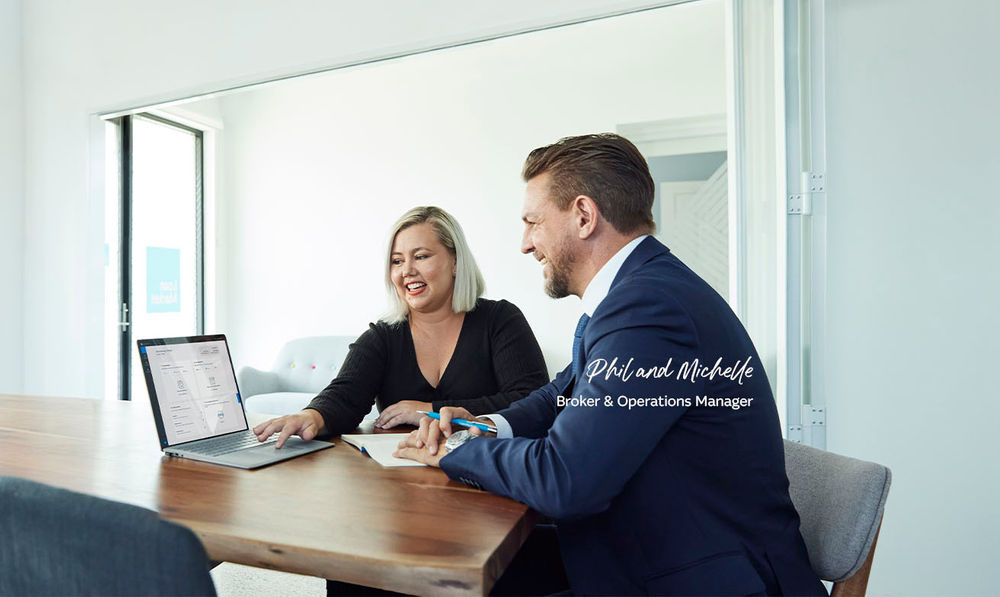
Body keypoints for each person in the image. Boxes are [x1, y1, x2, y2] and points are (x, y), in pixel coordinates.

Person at [397, 134, 827, 596]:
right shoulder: (639, 293)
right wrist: (485, 425)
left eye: (533, 222)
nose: (526, 244)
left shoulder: (648, 307)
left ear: (583, 216)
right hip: (648, 545)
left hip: (696, 574)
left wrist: (457, 448)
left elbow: (566, 479)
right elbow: (560, 394)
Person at [253, 206, 548, 447]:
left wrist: (428, 410)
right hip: (407, 480)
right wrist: (313, 416)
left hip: (493, 474)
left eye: (421, 256)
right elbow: (345, 395)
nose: (407, 271)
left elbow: (531, 399)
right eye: (397, 261)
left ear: (455, 261)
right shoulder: (383, 336)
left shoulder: (500, 320)